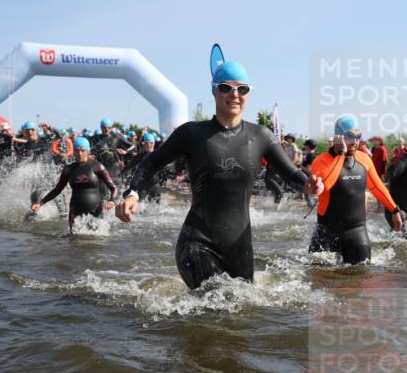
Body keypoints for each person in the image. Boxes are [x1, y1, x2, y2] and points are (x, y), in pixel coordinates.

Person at [116, 55, 321, 289]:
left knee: (240, 313)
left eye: (242, 89)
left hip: (240, 246)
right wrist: (132, 194)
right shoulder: (191, 133)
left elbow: (292, 172)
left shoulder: (260, 136)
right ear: (214, 91)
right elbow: (151, 163)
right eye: (226, 88)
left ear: (248, 94)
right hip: (197, 242)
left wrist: (309, 183)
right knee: (216, 299)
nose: (235, 95)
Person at [309, 115, 401, 263]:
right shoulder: (321, 161)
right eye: (350, 136)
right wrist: (341, 155)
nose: (355, 141)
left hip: (356, 232)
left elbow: (377, 187)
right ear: (338, 137)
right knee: (320, 281)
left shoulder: (364, 159)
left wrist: (394, 210)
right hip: (326, 232)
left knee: (360, 279)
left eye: (359, 136)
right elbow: (326, 185)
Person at [32, 137, 118, 229]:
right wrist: (40, 203)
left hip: (96, 209)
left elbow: (113, 188)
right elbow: (57, 190)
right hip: (75, 211)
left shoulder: (97, 166)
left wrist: (111, 200)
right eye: (77, 151)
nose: (80, 154)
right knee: (74, 239)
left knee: (97, 240)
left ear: (88, 151)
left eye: (83, 150)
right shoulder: (68, 169)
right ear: (73, 151)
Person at [122, 133, 162, 202]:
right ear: (144, 144)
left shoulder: (158, 154)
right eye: (147, 143)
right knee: (141, 208)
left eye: (151, 143)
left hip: (155, 186)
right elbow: (129, 167)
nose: (149, 145)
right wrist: (121, 175)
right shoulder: (140, 156)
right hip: (143, 187)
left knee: (156, 209)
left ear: (154, 143)